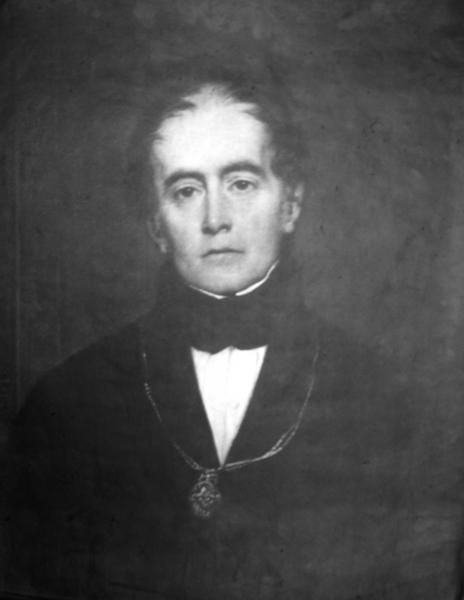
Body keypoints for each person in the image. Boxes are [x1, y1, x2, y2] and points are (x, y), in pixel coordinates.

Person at [2, 59, 458, 600]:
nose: (215, 218)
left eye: (241, 183)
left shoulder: (385, 400)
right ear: (155, 224)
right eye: (186, 190)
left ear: (290, 204)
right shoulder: (64, 403)